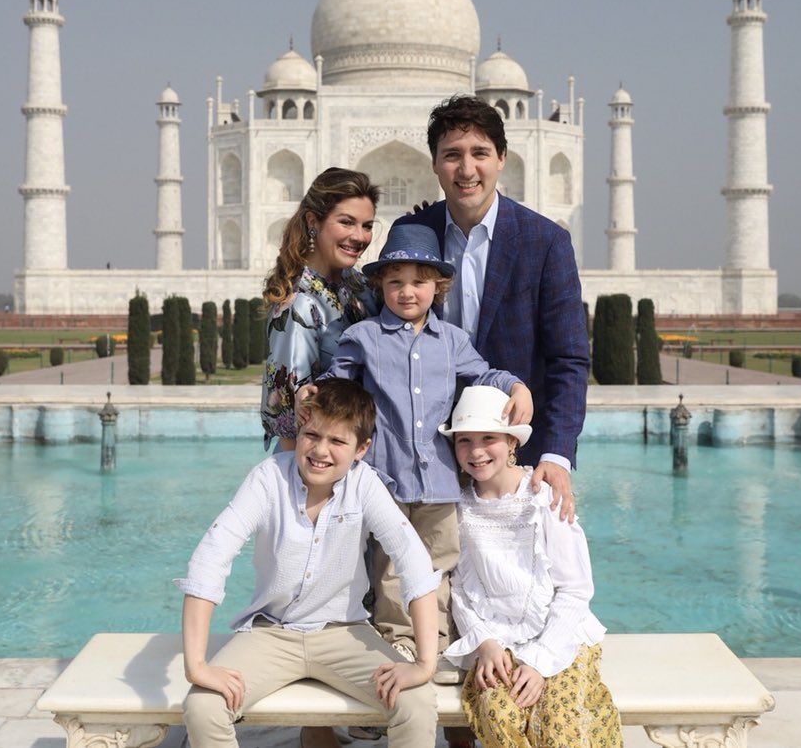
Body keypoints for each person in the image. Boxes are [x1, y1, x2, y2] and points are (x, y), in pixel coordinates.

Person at [299, 223, 533, 659]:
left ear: (438, 287)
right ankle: (399, 643)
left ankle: (439, 643)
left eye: (419, 282)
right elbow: (337, 383)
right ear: (380, 285)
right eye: (395, 282)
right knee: (390, 567)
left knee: (440, 565)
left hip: (440, 481)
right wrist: (312, 392)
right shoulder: (363, 337)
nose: (408, 292)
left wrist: (516, 386)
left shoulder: (452, 341)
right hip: (385, 479)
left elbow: (484, 375)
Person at [179, 379, 440, 748]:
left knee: (416, 702)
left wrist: (424, 664)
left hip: (344, 633)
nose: (320, 450)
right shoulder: (268, 478)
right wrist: (197, 666)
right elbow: (211, 556)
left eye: (337, 441)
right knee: (203, 707)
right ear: (299, 430)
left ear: (361, 448)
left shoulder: (364, 485)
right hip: (271, 634)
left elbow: (413, 561)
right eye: (312, 435)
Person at [395, 95, 590, 523]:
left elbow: (568, 359)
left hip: (513, 455)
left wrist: (556, 453)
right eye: (452, 155)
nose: (466, 170)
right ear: (433, 164)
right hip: (425, 454)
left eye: (480, 153)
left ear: (502, 158)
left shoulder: (544, 242)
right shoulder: (412, 233)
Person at [441, 385, 622, 748]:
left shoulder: (544, 497)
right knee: (498, 710)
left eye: (488, 437)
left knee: (558, 720)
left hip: (559, 637)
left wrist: (539, 661)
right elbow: (459, 587)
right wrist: (485, 643)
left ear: (511, 442)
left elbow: (575, 590)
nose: (476, 451)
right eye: (464, 440)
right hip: (498, 639)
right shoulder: (458, 509)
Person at [261, 168, 380, 452]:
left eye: (367, 225)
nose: (359, 236)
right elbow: (290, 422)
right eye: (347, 222)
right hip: (317, 463)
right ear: (313, 221)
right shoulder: (299, 303)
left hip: (361, 452)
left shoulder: (359, 285)